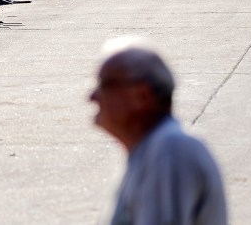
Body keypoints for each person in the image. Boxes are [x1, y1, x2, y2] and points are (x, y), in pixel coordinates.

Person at [90, 39, 228, 225]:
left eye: (105, 84)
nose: (92, 96)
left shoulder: (171, 150)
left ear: (142, 96)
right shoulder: (150, 150)